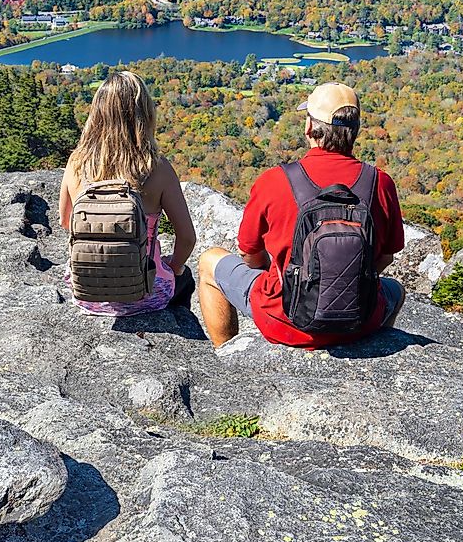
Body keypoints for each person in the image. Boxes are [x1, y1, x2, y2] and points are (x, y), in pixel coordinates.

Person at [198, 81, 405, 348]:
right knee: (396, 291)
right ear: (355, 131)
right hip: (359, 321)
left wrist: (279, 275)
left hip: (284, 321)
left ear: (309, 128)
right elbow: (385, 257)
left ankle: (225, 352)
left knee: (209, 262)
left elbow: (250, 254)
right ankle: (367, 343)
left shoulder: (275, 181)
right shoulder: (380, 183)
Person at [60, 70, 197, 315]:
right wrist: (173, 267)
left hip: (87, 294)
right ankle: (180, 321)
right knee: (185, 279)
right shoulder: (157, 168)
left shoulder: (77, 162)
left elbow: (65, 221)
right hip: (146, 295)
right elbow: (187, 238)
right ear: (145, 115)